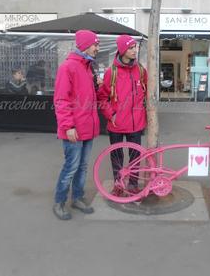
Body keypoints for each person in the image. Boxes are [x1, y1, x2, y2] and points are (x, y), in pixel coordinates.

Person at [52, 30, 100, 220]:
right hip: (74, 129)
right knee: (71, 167)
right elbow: (61, 100)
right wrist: (68, 126)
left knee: (83, 166)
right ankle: (60, 201)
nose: (98, 48)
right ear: (85, 45)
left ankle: (77, 198)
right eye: (95, 44)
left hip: (87, 128)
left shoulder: (87, 66)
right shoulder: (68, 67)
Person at [97, 35, 147, 196]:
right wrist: (111, 115)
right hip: (116, 124)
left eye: (135, 47)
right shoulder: (111, 73)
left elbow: (147, 93)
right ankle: (118, 185)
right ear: (122, 50)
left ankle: (132, 186)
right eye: (131, 48)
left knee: (135, 157)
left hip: (136, 124)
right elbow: (102, 98)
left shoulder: (141, 70)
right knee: (116, 157)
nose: (135, 50)